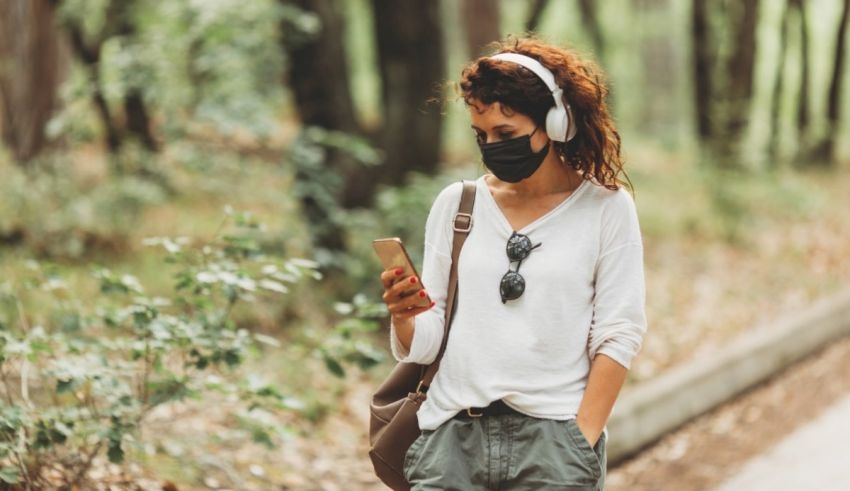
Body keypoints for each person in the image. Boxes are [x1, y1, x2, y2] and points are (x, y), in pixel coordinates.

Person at [379, 35, 647, 491]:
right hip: (450, 442)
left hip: (554, 444)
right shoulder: (456, 205)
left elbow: (618, 333)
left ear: (555, 123)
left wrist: (580, 441)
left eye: (505, 133)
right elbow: (427, 343)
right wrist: (405, 315)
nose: (491, 146)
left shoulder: (607, 208)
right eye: (481, 135)